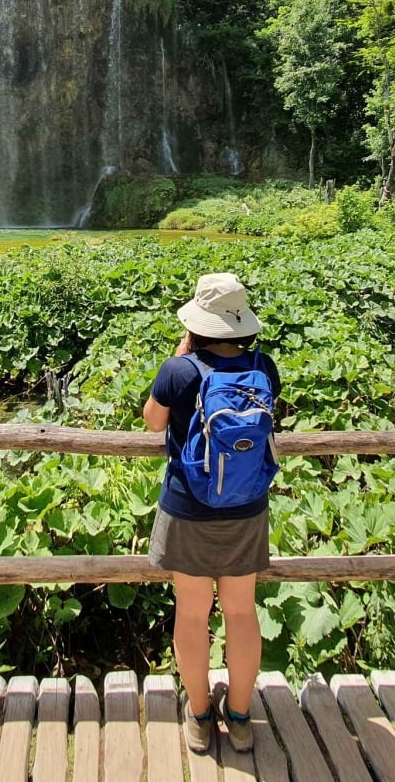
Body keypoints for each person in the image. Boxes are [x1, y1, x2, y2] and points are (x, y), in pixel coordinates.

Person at [143, 273, 280, 755]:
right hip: (247, 506)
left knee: (193, 612)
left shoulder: (178, 371)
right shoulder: (265, 366)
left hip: (188, 506)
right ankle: (240, 718)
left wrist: (184, 350)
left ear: (197, 324)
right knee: (242, 612)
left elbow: (153, 421)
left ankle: (200, 716)